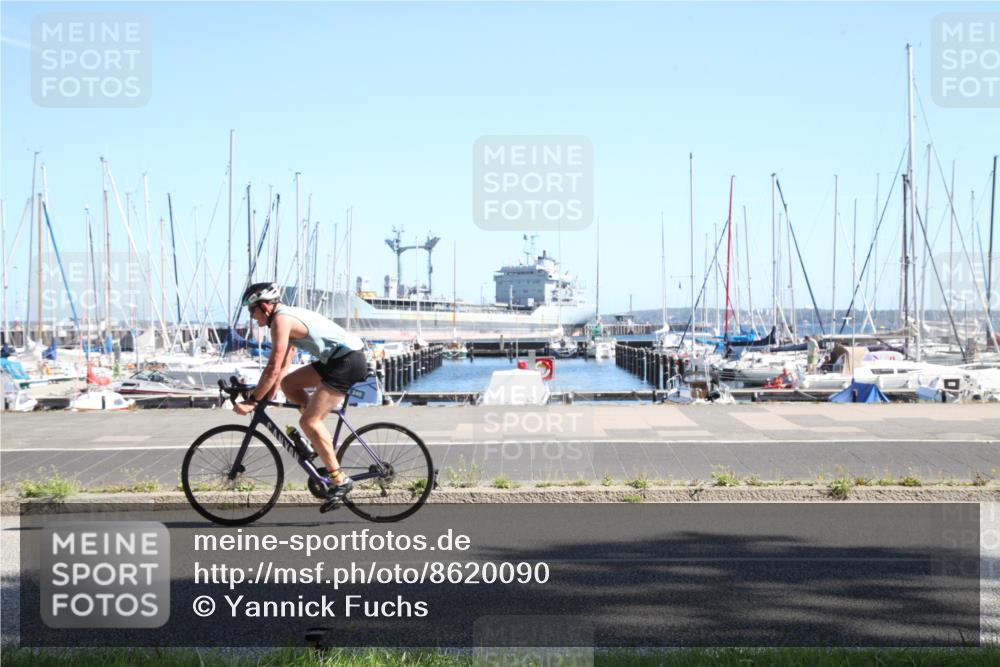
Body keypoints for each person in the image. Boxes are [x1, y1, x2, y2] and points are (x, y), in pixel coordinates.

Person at [232, 282, 368, 511]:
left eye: (252, 310)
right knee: (290, 385)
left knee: (309, 421)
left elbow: (273, 365)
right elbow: (283, 366)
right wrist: (268, 394)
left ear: (264, 306)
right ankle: (315, 439)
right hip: (337, 360)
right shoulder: (285, 317)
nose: (252, 317)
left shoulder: (280, 321)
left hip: (346, 362)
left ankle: (339, 481)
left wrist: (253, 400)